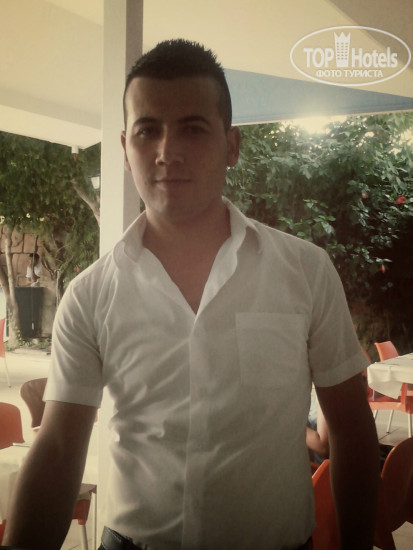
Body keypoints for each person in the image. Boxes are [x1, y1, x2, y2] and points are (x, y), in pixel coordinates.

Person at [3, 39, 380, 550]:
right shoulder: (90, 295)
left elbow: (352, 431)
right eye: (147, 130)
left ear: (232, 145)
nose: (166, 151)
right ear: (125, 148)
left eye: (193, 128)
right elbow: (58, 450)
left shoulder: (305, 272)